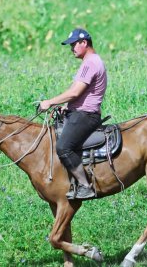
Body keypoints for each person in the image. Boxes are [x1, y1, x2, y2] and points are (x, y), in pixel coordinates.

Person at [37, 28, 107, 200]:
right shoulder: (90, 62)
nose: (72, 48)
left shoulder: (90, 63)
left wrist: (50, 102)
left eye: (74, 44)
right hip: (79, 112)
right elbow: (80, 94)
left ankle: (85, 186)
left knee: (63, 147)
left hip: (85, 115)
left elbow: (75, 92)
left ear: (84, 43)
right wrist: (66, 107)